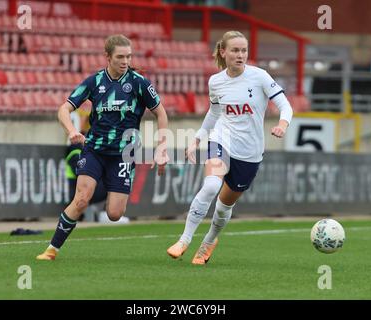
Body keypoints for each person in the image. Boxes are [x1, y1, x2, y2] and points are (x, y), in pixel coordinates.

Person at [37, 34, 169, 260]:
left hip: (123, 155)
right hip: (94, 150)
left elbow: (161, 112)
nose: (125, 61)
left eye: (128, 56)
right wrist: (72, 131)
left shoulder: (138, 82)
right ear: (107, 57)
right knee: (81, 199)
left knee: (115, 214)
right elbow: (63, 109)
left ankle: (114, 186)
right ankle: (51, 250)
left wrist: (162, 148)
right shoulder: (94, 81)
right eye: (120, 56)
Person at [167, 30, 293, 265]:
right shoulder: (215, 81)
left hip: (250, 153)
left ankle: (209, 241)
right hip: (221, 140)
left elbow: (285, 106)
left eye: (244, 50)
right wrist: (197, 139)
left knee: (224, 207)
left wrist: (282, 125)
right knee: (211, 185)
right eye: (235, 50)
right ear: (223, 52)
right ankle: (183, 240)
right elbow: (214, 112)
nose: (240, 55)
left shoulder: (260, 77)